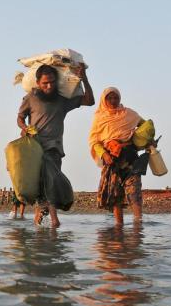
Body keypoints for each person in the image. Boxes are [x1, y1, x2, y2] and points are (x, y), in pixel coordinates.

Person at [16, 63, 94, 227]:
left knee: (51, 182)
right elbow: (20, 118)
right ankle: (45, 224)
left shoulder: (62, 100)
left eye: (52, 82)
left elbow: (89, 101)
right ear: (38, 83)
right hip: (34, 149)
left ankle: (53, 221)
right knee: (41, 189)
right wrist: (25, 128)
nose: (49, 86)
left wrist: (84, 79)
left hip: (54, 149)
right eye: (45, 83)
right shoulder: (31, 98)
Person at [88, 87, 148, 225]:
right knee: (115, 194)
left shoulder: (129, 114)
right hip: (112, 160)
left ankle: (138, 224)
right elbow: (94, 141)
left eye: (116, 98)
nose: (113, 101)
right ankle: (118, 225)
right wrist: (104, 154)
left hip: (130, 157)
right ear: (104, 100)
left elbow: (145, 126)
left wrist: (146, 140)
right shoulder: (99, 118)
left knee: (134, 191)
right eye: (110, 98)